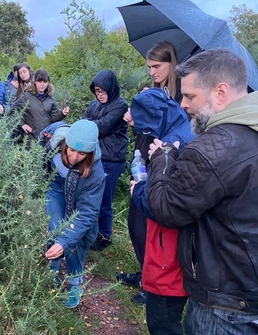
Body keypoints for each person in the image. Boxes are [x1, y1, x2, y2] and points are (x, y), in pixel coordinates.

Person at [147, 48, 258, 334]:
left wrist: (162, 158)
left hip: (225, 304)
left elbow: (167, 208)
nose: (183, 104)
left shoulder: (213, 149)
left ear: (220, 93)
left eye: (191, 96)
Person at [120, 40, 181, 305]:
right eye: (149, 67)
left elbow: (173, 134)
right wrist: (136, 120)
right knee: (135, 221)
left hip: (162, 164)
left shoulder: (180, 97)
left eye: (157, 66)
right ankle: (144, 272)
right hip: (142, 158)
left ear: (172, 63)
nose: (153, 72)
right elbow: (147, 130)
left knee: (151, 224)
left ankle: (152, 284)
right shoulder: (154, 91)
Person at [130, 88, 194, 335]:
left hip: (168, 252)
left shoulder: (174, 145)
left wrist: (139, 191)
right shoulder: (182, 131)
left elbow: (165, 206)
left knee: (162, 324)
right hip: (175, 249)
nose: (148, 133)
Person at [43, 120, 105, 309]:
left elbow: (87, 213)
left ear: (90, 153)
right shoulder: (54, 142)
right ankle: (52, 269)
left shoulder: (96, 173)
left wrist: (65, 240)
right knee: (54, 230)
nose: (74, 156)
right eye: (71, 150)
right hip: (56, 188)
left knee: (72, 239)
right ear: (65, 143)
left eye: (82, 153)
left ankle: (74, 281)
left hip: (79, 198)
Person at [82, 70, 128, 251]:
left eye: (102, 91)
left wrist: (86, 127)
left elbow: (101, 127)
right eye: (97, 91)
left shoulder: (120, 106)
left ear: (111, 88)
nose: (99, 94)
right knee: (91, 197)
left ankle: (104, 236)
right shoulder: (95, 104)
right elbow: (84, 120)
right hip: (96, 157)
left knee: (104, 199)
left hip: (112, 159)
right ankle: (93, 233)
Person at [12, 68, 69, 143]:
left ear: (48, 83)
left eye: (45, 81)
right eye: (39, 81)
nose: (42, 84)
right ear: (35, 81)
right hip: (30, 139)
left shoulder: (51, 98)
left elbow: (53, 119)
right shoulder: (27, 96)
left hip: (46, 138)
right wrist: (22, 124)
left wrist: (62, 114)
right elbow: (14, 110)